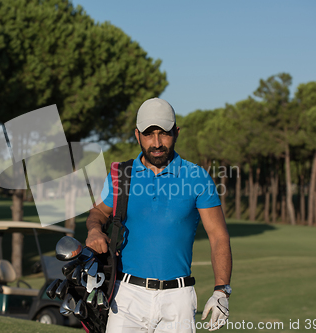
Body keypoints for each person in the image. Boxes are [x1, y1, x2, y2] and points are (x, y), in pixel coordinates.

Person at [85, 98, 232, 333]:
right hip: (126, 297)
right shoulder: (122, 175)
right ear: (137, 135)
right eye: (148, 134)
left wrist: (221, 290)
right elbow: (99, 212)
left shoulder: (197, 177)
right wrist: (94, 229)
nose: (156, 143)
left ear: (176, 133)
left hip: (179, 300)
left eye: (163, 133)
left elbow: (218, 235)